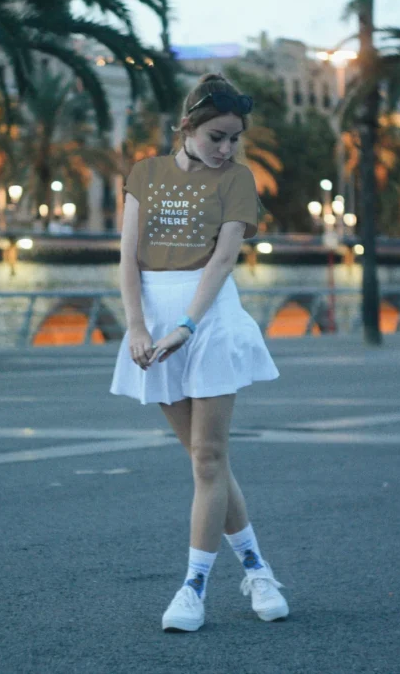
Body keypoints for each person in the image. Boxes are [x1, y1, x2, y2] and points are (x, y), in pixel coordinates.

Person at [110, 73, 287, 632]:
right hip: (154, 322)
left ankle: (193, 588)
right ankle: (257, 567)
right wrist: (137, 328)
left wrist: (187, 324)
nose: (227, 149)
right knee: (204, 459)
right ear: (187, 127)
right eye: (217, 136)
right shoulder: (145, 174)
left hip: (207, 318)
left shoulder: (237, 180)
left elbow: (222, 260)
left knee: (208, 458)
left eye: (235, 138)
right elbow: (128, 260)